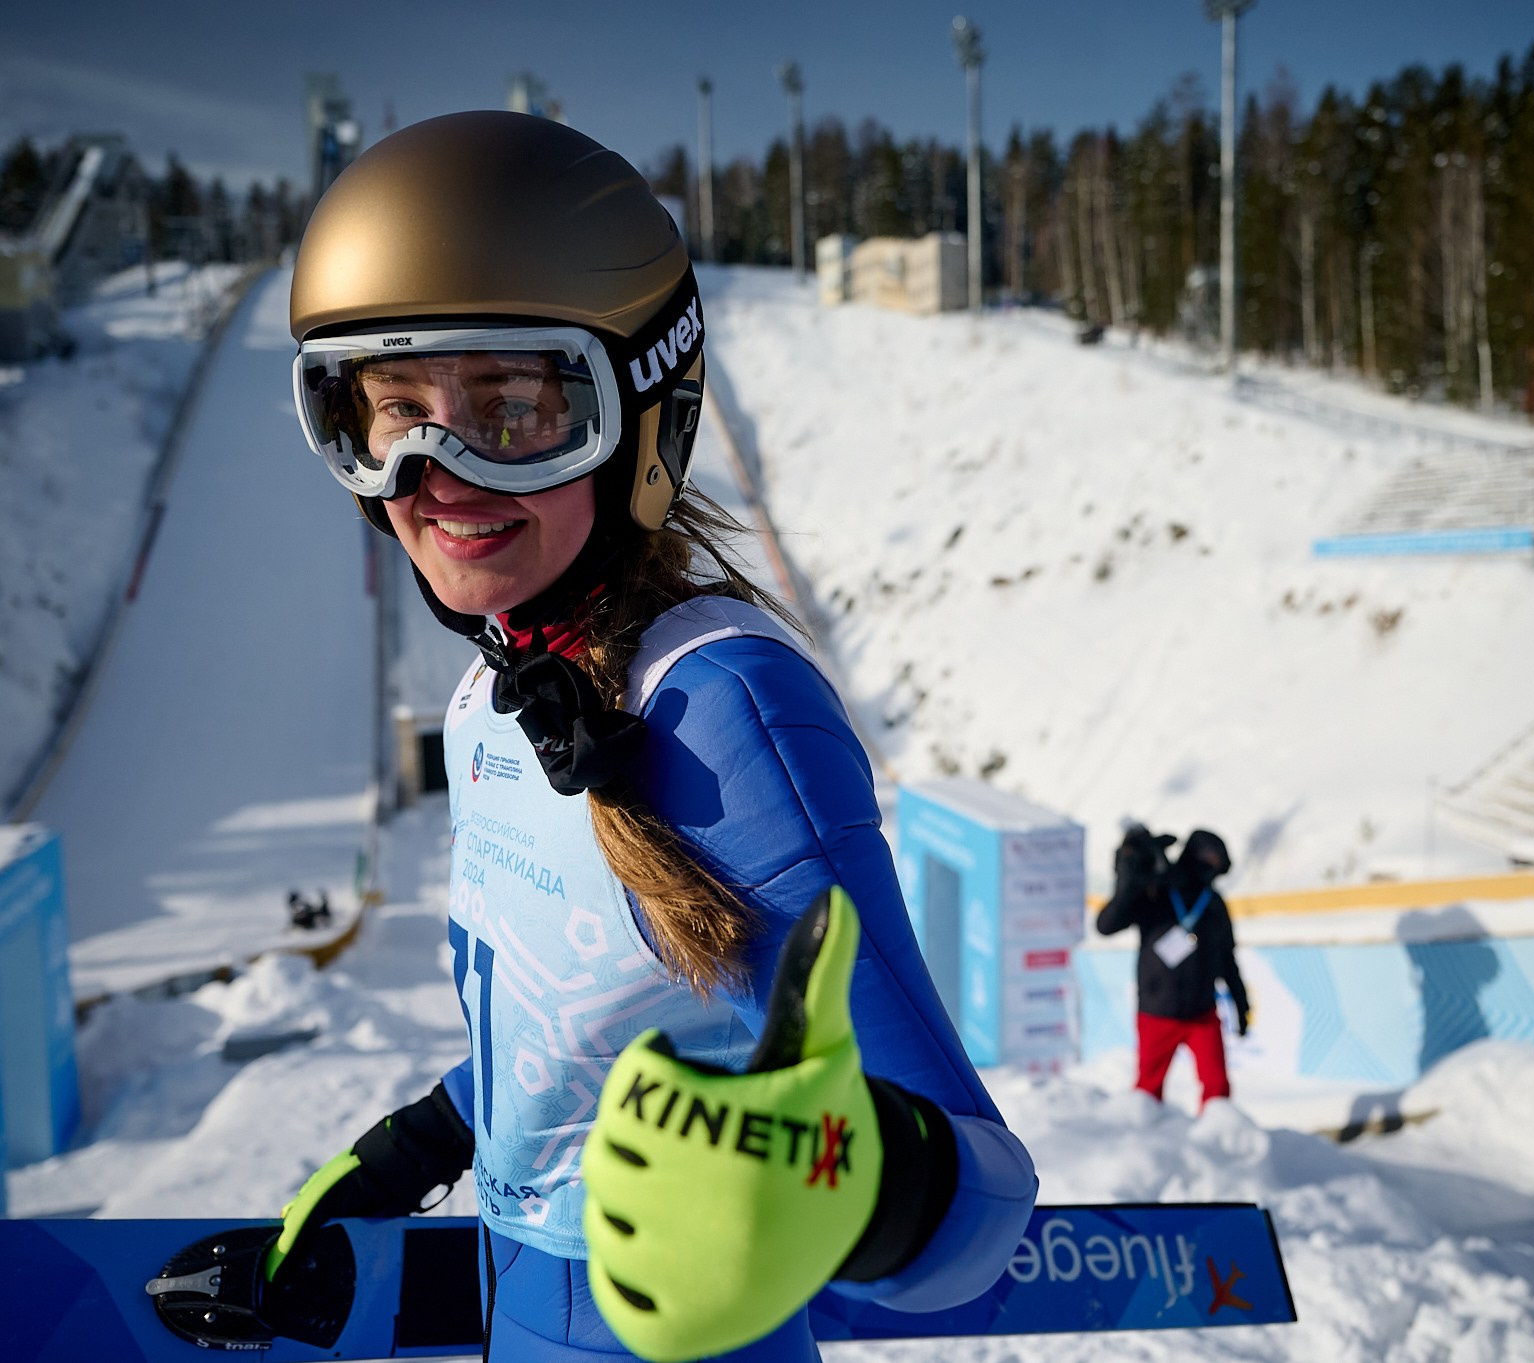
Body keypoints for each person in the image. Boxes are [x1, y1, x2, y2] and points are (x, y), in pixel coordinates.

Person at [267, 111, 1036, 1363]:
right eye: (387, 416)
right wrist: (413, 1147)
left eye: (513, 409)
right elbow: (583, 1023)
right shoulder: (494, 695)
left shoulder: (725, 711)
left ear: (642, 420)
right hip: (517, 1315)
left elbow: (978, 1206)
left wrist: (844, 1181)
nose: (439, 473)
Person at [1095, 826, 1249, 1110]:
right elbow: (1105, 925)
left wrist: (1241, 1004)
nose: (1213, 866)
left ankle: (1219, 1145)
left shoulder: (1213, 904)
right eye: (1210, 858)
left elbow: (1228, 958)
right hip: (1157, 1013)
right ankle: (1146, 1149)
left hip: (1202, 1014)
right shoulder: (1156, 890)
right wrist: (1130, 871)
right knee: (1146, 1093)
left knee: (1217, 1088)